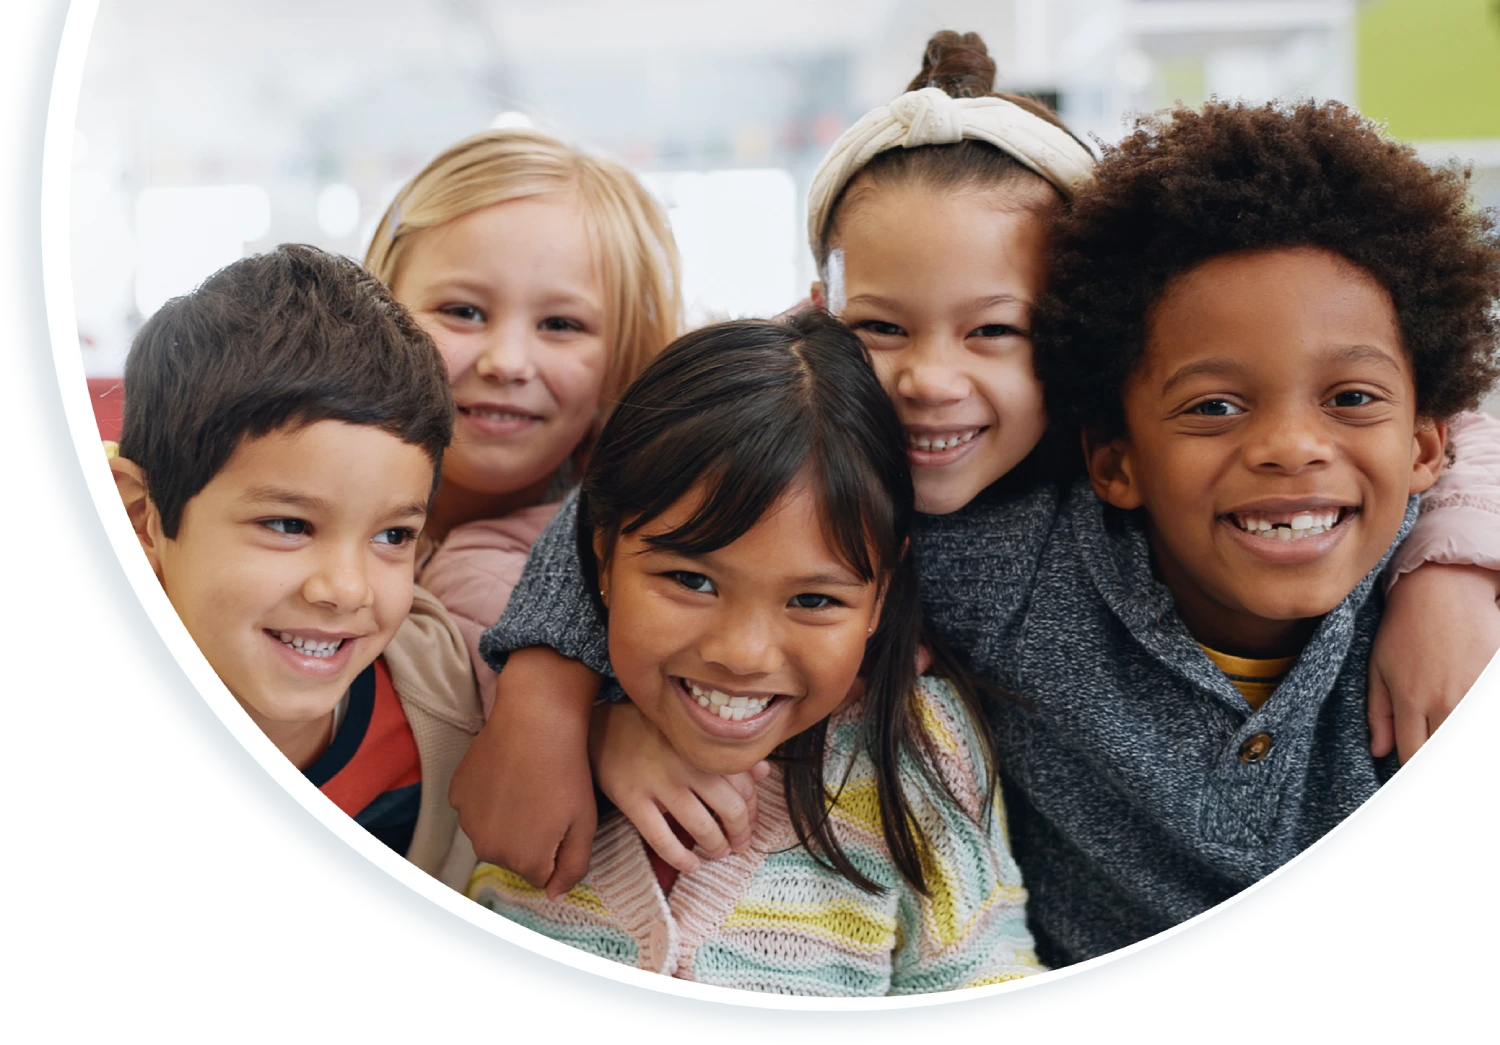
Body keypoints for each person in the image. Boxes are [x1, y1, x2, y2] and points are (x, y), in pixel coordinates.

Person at [451, 32, 1500, 906]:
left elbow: (1437, 420)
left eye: (996, 329)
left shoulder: (1343, 514)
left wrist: (1454, 567)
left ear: (1079, 354)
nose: (928, 382)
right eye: (877, 329)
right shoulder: (971, 552)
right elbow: (659, 486)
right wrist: (555, 700)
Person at [468, 311, 1042, 994]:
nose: (741, 653)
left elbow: (984, 987)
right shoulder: (534, 736)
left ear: (882, 593)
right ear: (601, 559)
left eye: (813, 600)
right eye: (691, 580)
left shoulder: (923, 755)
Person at [109, 245, 482, 890]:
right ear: (143, 518)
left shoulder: (446, 697)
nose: (346, 589)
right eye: (288, 525)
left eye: (393, 535)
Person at [362, 127, 683, 714]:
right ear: (375, 307)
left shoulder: (647, 550)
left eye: (561, 325)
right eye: (462, 312)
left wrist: (605, 733)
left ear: (622, 356)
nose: (507, 362)